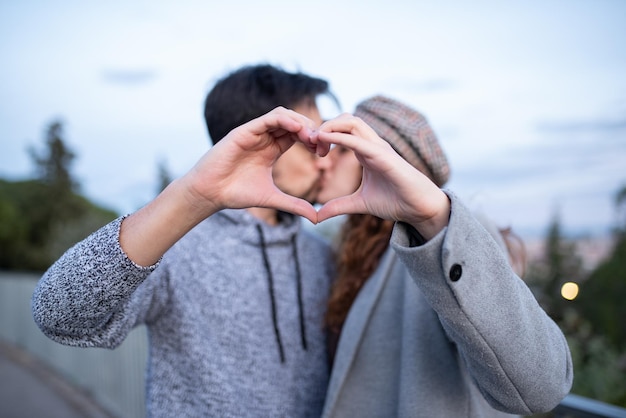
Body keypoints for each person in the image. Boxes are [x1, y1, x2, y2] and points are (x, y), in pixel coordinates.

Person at [31, 64, 338, 417]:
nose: (324, 161)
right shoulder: (175, 247)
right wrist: (192, 196)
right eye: (308, 143)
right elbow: (59, 315)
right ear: (260, 142)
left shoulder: (320, 255)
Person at [312, 95, 573, 417]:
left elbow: (541, 386)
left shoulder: (446, 238)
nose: (323, 161)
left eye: (340, 149)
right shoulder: (353, 250)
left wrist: (435, 219)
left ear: (381, 161)